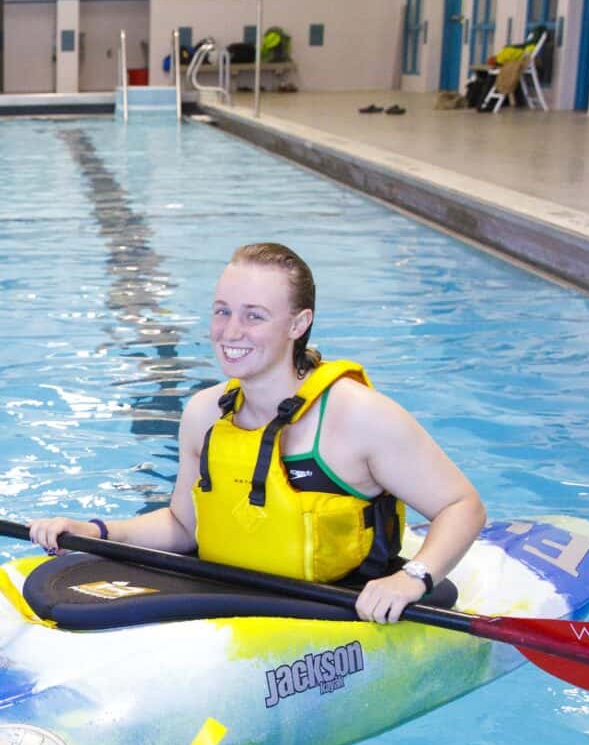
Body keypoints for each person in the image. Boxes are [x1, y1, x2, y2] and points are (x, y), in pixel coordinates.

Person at [28, 242, 483, 623]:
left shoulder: (357, 417)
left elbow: (462, 506)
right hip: (231, 598)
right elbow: (184, 526)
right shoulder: (205, 412)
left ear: (298, 324)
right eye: (222, 311)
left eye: (254, 316)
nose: (230, 331)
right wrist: (93, 529)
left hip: (336, 610)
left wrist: (413, 577)